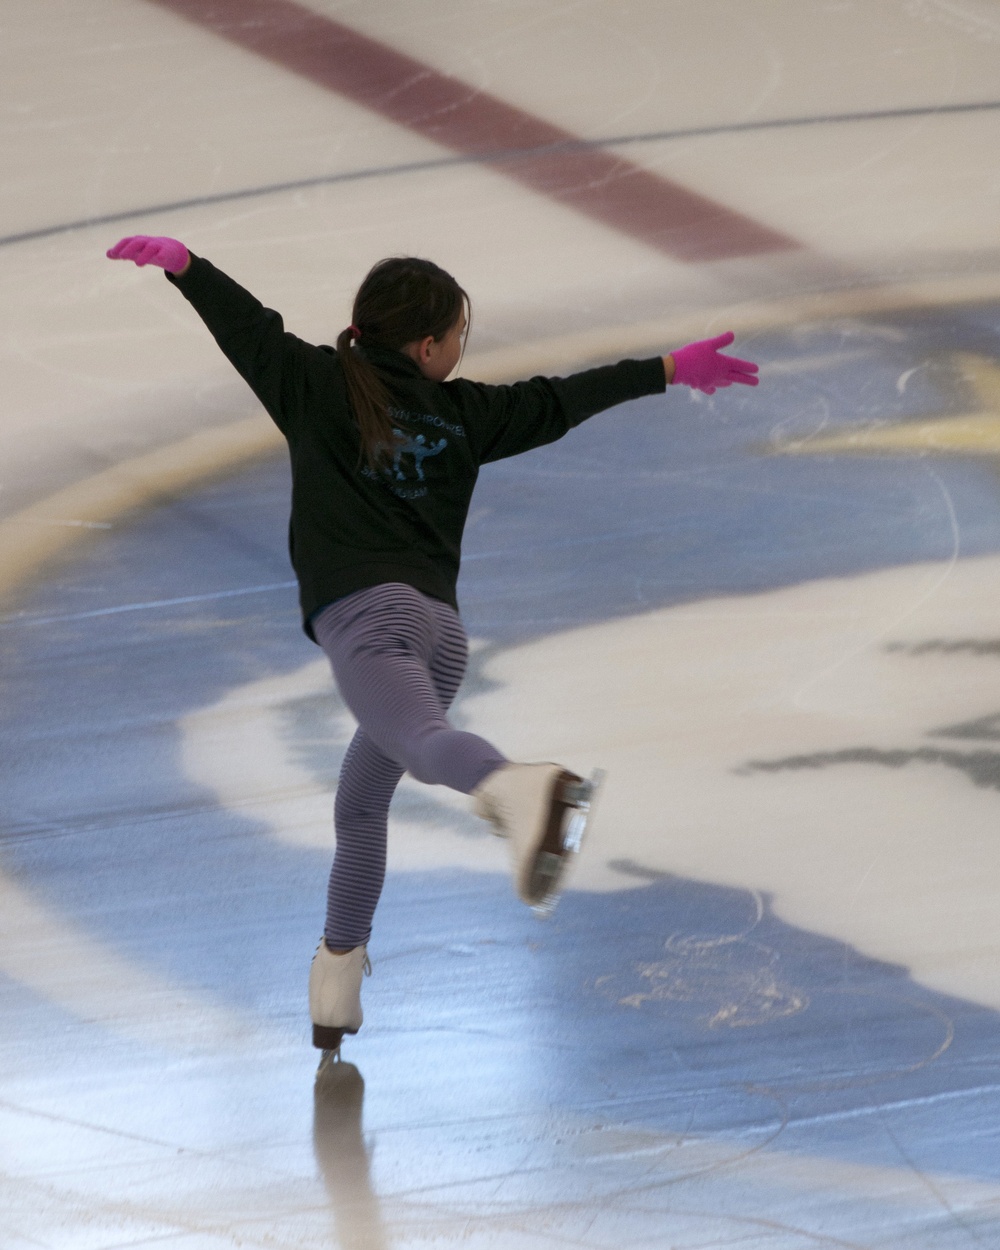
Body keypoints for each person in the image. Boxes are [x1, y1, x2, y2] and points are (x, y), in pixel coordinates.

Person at [106, 234, 760, 1061]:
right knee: (360, 803)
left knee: (422, 748)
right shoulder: (463, 412)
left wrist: (188, 269)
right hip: (440, 636)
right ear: (428, 347)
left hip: (369, 624)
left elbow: (249, 329)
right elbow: (562, 399)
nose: (461, 350)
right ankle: (336, 978)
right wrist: (666, 367)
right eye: (459, 336)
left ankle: (519, 790)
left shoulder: (313, 383)